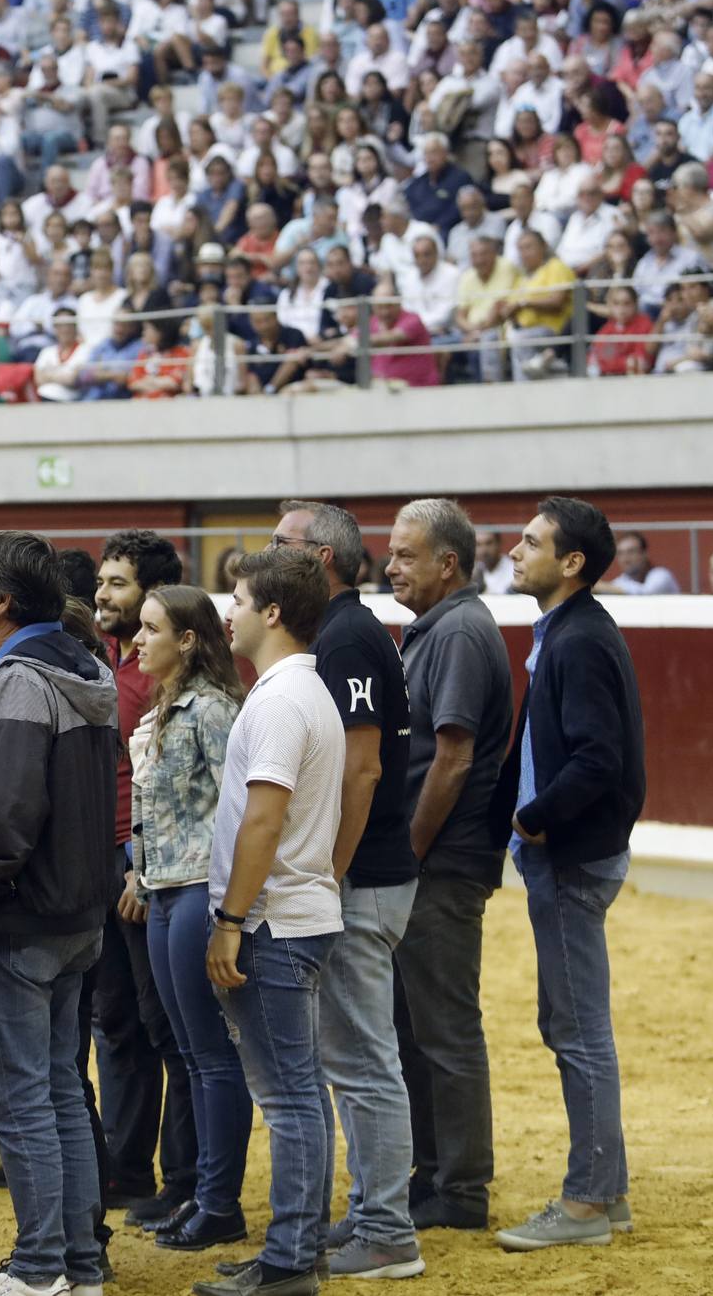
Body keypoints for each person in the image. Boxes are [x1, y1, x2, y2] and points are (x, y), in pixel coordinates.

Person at [0, 531, 120, 1296]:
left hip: (19, 918)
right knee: (55, 1090)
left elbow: (12, 816)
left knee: (19, 1102)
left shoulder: (18, 679)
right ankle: (78, 1265)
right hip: (80, 912)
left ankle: (43, 1265)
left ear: (2, 600)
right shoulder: (84, 665)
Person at [271, 502, 423, 1281]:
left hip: (360, 879)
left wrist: (329, 871)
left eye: (280, 543)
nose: (268, 553)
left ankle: (387, 1228)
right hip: (363, 875)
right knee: (353, 1058)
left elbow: (361, 768)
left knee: (362, 1060)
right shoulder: (343, 634)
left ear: (322, 559)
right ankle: (372, 1210)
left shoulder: (348, 636)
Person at [492, 497, 644, 1253]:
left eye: (530, 542)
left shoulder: (576, 640)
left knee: (576, 1030)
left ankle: (584, 1202)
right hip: (571, 850)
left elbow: (596, 759)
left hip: (569, 855)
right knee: (576, 1025)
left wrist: (532, 818)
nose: (514, 553)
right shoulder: (570, 633)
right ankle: (606, 1192)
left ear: (571, 563)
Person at [193, 547, 342, 1296]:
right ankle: (299, 1249)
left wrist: (229, 918)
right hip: (294, 912)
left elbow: (263, 819)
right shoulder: (296, 694)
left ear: (273, 612)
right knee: (300, 1091)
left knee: (288, 1098)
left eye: (240, 598)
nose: (230, 611)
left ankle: (287, 1261)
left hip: (272, 922)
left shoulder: (280, 699)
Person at [384, 499, 513, 1233]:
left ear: (448, 563)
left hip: (441, 860)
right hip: (436, 858)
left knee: (442, 1027)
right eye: (391, 554)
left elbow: (454, 755)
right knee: (417, 1026)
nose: (392, 566)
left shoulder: (458, 630)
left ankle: (459, 1187)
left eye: (405, 555)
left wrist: (407, 852)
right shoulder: (439, 628)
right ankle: (434, 1173)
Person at [127, 585, 250, 1253]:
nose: (137, 640)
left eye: (151, 630)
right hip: (165, 888)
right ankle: (208, 1195)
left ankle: (218, 1202)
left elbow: (241, 806)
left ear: (188, 640)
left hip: (200, 888)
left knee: (209, 1055)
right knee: (193, 1053)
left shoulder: (209, 710)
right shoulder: (170, 707)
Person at [90, 530, 196, 1234]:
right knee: (117, 1025)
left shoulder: (165, 674)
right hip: (99, 864)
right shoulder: (101, 662)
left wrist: (141, 865)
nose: (103, 594)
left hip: (146, 868)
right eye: (102, 581)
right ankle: (129, 1169)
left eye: (118, 583)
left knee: (172, 1031)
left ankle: (187, 1180)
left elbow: (178, 792)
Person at [601, 531, 681, 595]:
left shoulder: (662, 575)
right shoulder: (621, 581)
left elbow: (646, 593)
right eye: (620, 553)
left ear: (644, 554)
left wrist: (602, 587)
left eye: (631, 552)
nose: (625, 559)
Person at [472, 529, 514, 594]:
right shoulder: (475, 570)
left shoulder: (513, 570)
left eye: (488, 543)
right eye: (478, 544)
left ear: (498, 544)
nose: (484, 551)